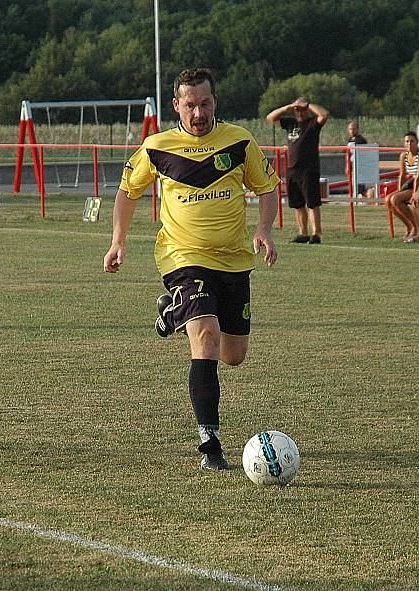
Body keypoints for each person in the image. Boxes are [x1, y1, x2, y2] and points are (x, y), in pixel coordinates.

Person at [103, 68, 280, 471]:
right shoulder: (157, 146)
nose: (198, 112)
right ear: (176, 105)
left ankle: (171, 312)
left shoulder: (239, 141)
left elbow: (268, 188)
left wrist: (264, 231)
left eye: (205, 103)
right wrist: (118, 240)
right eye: (190, 104)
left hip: (234, 260)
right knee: (206, 337)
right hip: (183, 257)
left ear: (215, 102)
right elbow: (128, 192)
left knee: (234, 356)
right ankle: (210, 441)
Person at [265, 97, 330, 244]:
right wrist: (288, 107)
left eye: (301, 109)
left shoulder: (313, 123)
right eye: (297, 110)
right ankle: (303, 234)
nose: (299, 112)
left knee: (312, 203)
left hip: (309, 169)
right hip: (292, 169)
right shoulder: (290, 123)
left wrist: (308, 105)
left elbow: (324, 115)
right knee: (297, 203)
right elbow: (270, 118)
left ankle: (316, 234)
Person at [386, 131, 419, 242]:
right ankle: (410, 226)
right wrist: (399, 190)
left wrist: (414, 194)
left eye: (412, 141)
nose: (409, 143)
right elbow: (402, 175)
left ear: (417, 142)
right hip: (412, 183)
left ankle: (416, 230)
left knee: (399, 199)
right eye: (407, 141)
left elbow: (418, 178)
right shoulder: (403, 156)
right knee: (389, 200)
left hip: (417, 184)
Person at [346, 120, 369, 198]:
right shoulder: (349, 140)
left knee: (360, 183)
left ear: (357, 129)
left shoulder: (361, 140)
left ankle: (361, 195)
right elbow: (348, 153)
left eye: (353, 129)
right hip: (352, 163)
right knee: (352, 182)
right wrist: (347, 165)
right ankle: (354, 195)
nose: (352, 131)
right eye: (350, 129)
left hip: (359, 165)